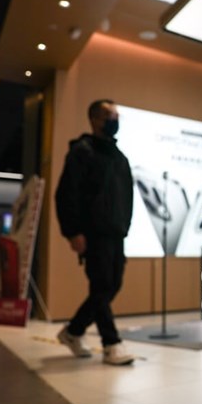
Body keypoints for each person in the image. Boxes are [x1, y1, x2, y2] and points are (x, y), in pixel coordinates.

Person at [54, 99, 135, 365]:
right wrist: (73, 231)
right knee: (101, 286)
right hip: (93, 232)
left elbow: (127, 196)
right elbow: (67, 194)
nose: (114, 120)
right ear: (94, 120)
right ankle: (111, 343)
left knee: (113, 285)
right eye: (108, 116)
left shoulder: (120, 157)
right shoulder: (82, 151)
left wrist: (125, 225)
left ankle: (73, 331)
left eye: (116, 115)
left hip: (116, 232)